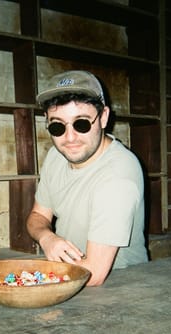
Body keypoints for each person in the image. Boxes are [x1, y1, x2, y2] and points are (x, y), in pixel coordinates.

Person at [27, 70, 148, 286]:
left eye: (81, 123)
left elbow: (94, 272)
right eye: (57, 126)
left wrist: (30, 279)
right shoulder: (56, 156)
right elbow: (37, 216)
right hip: (69, 277)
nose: (69, 137)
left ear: (103, 118)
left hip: (120, 287)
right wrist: (47, 238)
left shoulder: (118, 174)